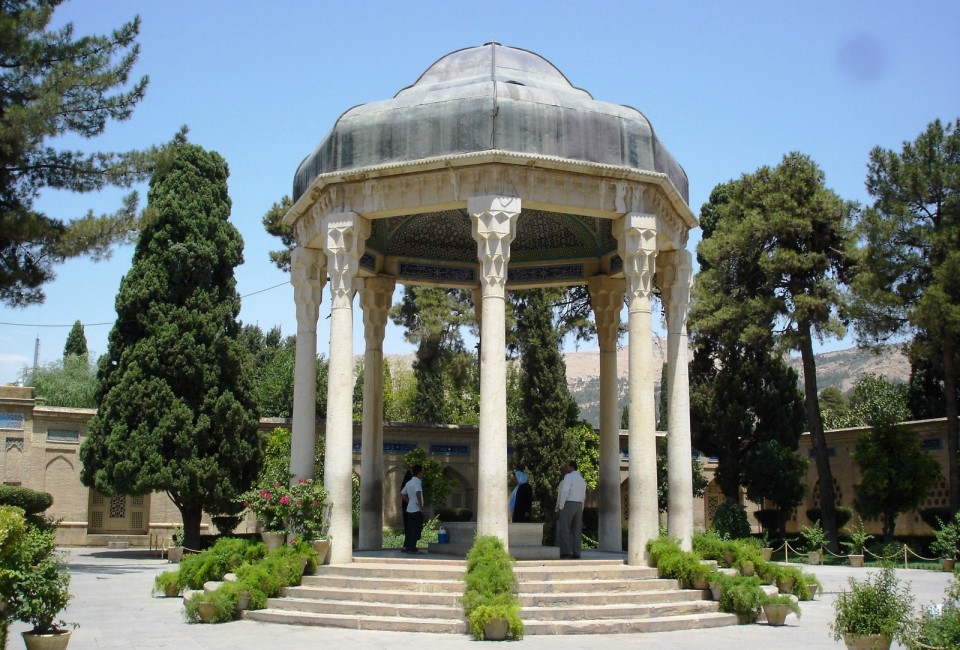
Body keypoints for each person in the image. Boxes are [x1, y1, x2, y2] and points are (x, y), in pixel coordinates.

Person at [555, 460, 586, 559]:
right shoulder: (582, 479)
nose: (565, 468)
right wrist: (582, 507)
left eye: (567, 466)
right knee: (576, 530)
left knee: (565, 528)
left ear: (572, 467)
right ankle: (577, 552)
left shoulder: (568, 477)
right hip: (579, 504)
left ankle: (566, 552)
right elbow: (583, 495)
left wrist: (561, 505)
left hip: (568, 502)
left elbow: (565, 491)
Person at [400, 464, 424, 554]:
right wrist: (420, 506)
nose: (423, 474)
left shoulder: (409, 482)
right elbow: (418, 493)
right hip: (416, 509)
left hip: (409, 509)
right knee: (415, 529)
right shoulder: (417, 482)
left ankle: (408, 547)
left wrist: (409, 501)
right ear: (419, 472)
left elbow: (402, 493)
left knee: (410, 529)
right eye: (422, 472)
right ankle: (412, 548)